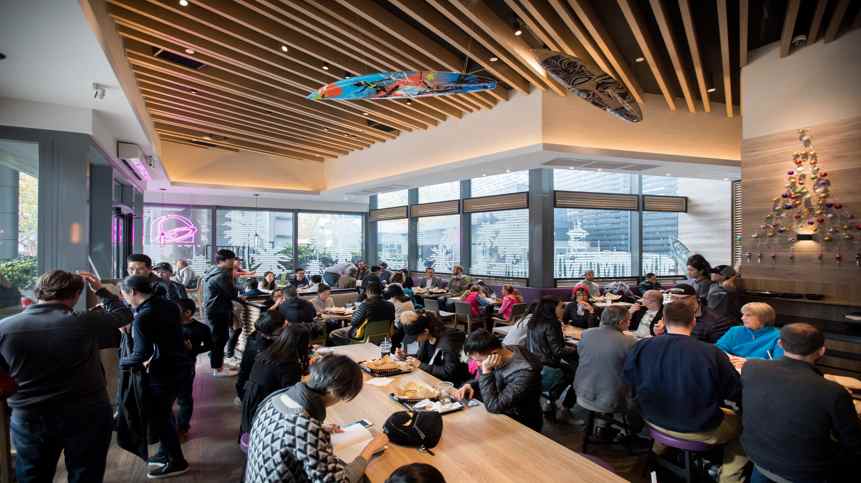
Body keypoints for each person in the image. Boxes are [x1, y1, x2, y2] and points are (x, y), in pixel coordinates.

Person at [0, 270, 132, 483]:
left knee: (32, 476)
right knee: (86, 475)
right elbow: (124, 314)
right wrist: (100, 290)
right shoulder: (84, 321)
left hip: (30, 415)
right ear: (76, 294)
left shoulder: (5, 327)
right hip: (87, 412)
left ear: (37, 291)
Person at [623, 301, 745, 483]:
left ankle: (654, 455)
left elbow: (630, 379)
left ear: (663, 320)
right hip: (699, 425)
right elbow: (733, 391)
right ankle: (729, 478)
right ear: (693, 321)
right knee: (745, 429)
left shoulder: (641, 346)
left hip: (651, 417)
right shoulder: (711, 353)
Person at [741, 323, 861, 483]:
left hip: (757, 457)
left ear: (780, 344)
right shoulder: (833, 392)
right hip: (806, 471)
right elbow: (853, 442)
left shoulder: (751, 367)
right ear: (822, 351)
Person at [244, 355, 388, 483]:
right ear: (334, 391)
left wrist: (320, 428)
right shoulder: (305, 427)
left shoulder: (277, 397)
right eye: (343, 396)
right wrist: (369, 449)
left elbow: (283, 430)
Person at [119, 275, 189, 478]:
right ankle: (165, 453)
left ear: (133, 292)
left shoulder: (143, 317)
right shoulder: (169, 305)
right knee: (165, 413)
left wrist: (120, 363)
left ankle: (177, 461)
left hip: (164, 370)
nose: (125, 299)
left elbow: (141, 354)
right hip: (181, 365)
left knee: (160, 417)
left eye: (124, 295)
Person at [454, 329, 543, 431]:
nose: (478, 364)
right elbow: (494, 379)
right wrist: (471, 385)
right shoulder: (504, 351)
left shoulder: (525, 373)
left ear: (494, 353)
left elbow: (494, 406)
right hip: (500, 414)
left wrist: (486, 371)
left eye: (479, 360)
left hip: (520, 422)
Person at [240, 325, 310, 435]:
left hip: (251, 401)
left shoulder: (271, 351)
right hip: (266, 408)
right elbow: (291, 395)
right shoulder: (289, 363)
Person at [574, 306, 636, 416]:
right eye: (629, 320)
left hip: (581, 391)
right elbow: (634, 369)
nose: (630, 322)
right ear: (621, 322)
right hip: (610, 400)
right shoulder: (629, 342)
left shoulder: (587, 333)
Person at [526, 297, 578, 411]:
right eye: (561, 307)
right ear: (552, 308)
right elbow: (558, 351)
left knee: (570, 369)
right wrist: (576, 348)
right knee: (576, 373)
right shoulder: (552, 324)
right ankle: (561, 404)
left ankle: (551, 400)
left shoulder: (533, 322)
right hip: (548, 364)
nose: (564, 310)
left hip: (533, 362)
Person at [203, 249, 245, 377]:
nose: (233, 262)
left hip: (214, 309)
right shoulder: (222, 275)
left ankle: (218, 365)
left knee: (219, 338)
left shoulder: (213, 271)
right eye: (231, 260)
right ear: (223, 261)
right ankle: (217, 369)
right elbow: (232, 293)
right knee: (219, 339)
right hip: (218, 311)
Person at [175, 298, 213, 435]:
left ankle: (182, 427)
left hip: (187, 365)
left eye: (177, 310)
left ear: (188, 312)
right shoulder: (170, 325)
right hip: (168, 365)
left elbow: (209, 345)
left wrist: (193, 349)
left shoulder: (201, 328)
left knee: (184, 397)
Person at [395, 311, 466, 384]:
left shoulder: (448, 341)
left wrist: (420, 365)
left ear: (426, 331)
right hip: (432, 378)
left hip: (449, 384)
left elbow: (449, 372)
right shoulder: (427, 337)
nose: (415, 340)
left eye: (416, 337)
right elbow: (420, 358)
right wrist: (405, 357)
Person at [236, 312, 285, 400]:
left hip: (253, 388)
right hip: (257, 393)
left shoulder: (263, 330)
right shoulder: (260, 348)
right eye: (281, 329)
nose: (284, 329)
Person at [716, 302, 783, 366]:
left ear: (763, 318)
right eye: (743, 314)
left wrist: (748, 361)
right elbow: (717, 349)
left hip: (759, 369)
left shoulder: (778, 336)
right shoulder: (735, 330)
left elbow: (779, 362)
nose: (742, 318)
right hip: (731, 365)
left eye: (748, 315)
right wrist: (731, 358)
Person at [328, 282, 394, 345]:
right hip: (382, 334)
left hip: (363, 335)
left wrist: (355, 313)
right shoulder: (390, 305)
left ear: (369, 292)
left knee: (333, 334)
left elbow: (354, 322)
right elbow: (391, 321)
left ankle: (351, 348)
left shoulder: (366, 304)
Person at [668, 283, 736, 343]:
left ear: (695, 298)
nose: (677, 302)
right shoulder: (672, 314)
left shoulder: (718, 322)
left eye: (683, 299)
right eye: (673, 298)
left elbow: (719, 348)